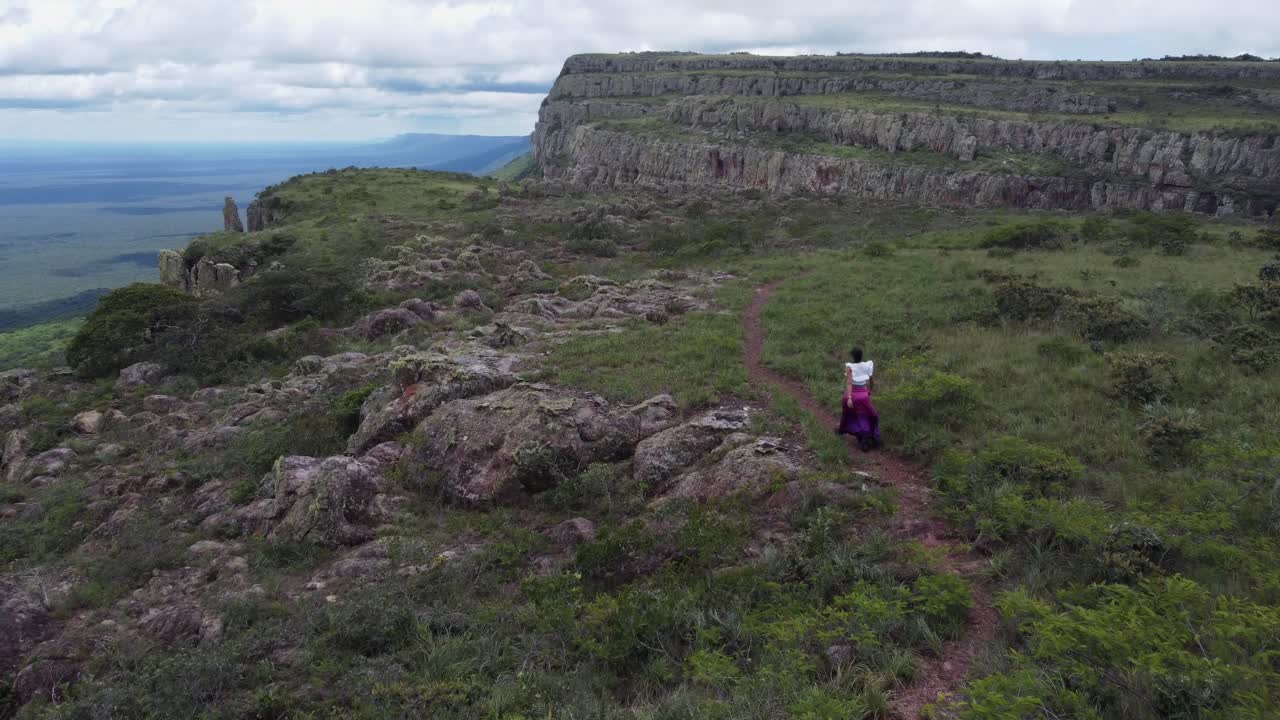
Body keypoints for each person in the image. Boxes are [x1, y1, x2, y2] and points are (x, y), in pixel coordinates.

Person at [835, 346, 881, 451]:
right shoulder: (867, 365)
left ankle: (842, 430)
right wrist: (870, 391)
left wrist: (850, 398)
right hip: (863, 396)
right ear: (861, 355)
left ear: (852, 356)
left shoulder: (849, 366)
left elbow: (849, 383)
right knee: (869, 415)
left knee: (848, 414)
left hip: (852, 395)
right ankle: (868, 437)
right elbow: (872, 381)